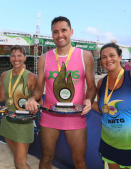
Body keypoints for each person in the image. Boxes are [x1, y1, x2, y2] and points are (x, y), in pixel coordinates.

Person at [25, 16, 96, 169]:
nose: (60, 35)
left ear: (71, 32)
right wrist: (32, 99)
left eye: (63, 30)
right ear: (52, 35)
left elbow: (91, 87)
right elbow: (39, 88)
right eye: (55, 32)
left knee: (79, 162)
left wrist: (89, 100)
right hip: (50, 116)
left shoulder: (85, 56)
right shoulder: (44, 58)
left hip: (76, 116)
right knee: (46, 159)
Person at [92, 43, 131, 169]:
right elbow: (104, 110)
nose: (108, 59)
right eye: (104, 57)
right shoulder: (101, 83)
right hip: (109, 143)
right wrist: (88, 103)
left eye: (112, 55)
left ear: (120, 57)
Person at [0, 45, 38, 169]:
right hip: (8, 121)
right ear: (10, 58)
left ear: (25, 57)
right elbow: (0, 98)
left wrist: (34, 105)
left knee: (20, 163)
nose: (16, 58)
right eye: (13, 55)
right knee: (17, 159)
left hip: (23, 123)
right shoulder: (5, 75)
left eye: (19, 55)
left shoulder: (31, 77)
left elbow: (39, 100)